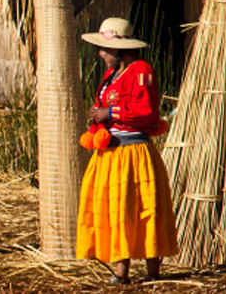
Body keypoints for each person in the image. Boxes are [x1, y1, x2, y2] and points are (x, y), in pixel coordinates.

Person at [76, 18, 177, 284]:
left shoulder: (141, 70)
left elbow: (146, 111)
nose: (100, 53)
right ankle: (122, 274)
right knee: (117, 210)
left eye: (104, 48)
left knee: (144, 209)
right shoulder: (113, 74)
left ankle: (152, 273)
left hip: (133, 154)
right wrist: (97, 118)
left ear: (121, 49)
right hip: (111, 153)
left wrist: (108, 112)